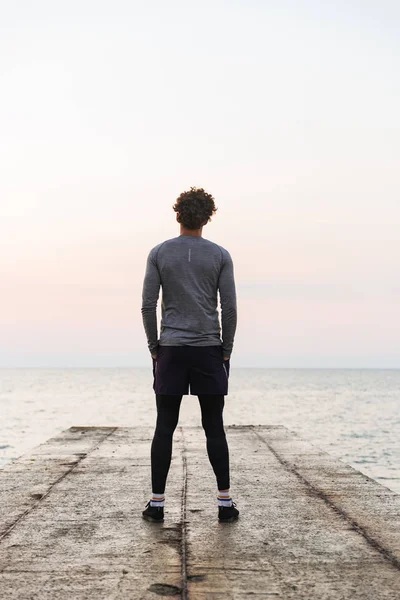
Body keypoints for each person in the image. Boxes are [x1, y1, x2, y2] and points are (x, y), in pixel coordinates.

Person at [141, 186, 239, 523]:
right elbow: (229, 308)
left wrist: (155, 348)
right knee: (215, 426)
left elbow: (147, 305)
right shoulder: (220, 255)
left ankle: (156, 505)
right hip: (209, 349)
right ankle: (224, 505)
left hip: (171, 349)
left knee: (164, 427)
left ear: (178, 213)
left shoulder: (159, 253)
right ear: (207, 217)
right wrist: (225, 351)